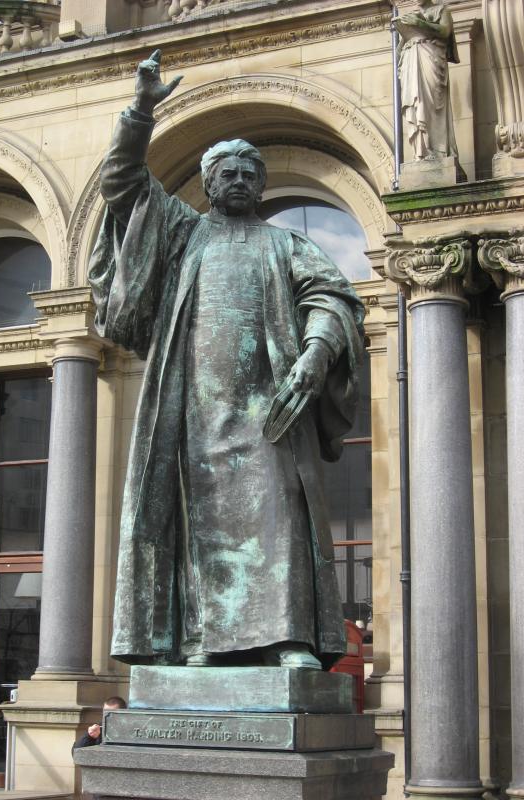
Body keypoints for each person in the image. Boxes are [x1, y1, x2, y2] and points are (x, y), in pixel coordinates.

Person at [89, 50, 364, 671]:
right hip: (192, 409)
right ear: (208, 183)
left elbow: (332, 299)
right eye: (225, 171)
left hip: (269, 410)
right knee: (199, 528)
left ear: (261, 184)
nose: (237, 179)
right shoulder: (182, 232)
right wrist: (139, 113)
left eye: (248, 171)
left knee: (278, 521)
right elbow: (121, 184)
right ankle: (203, 643)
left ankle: (288, 640)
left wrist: (315, 357)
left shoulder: (285, 243)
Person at [396, 0, 459, 160]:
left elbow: (445, 31)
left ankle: (437, 151)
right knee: (415, 106)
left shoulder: (441, 10)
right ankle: (422, 151)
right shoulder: (411, 14)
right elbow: (398, 50)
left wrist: (420, 23)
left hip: (431, 58)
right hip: (411, 59)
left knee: (430, 102)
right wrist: (404, 32)